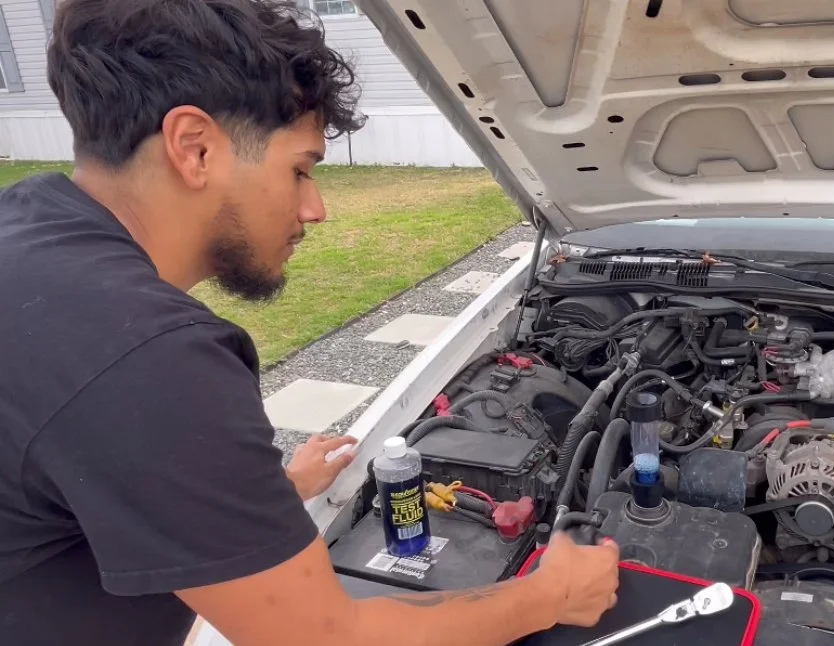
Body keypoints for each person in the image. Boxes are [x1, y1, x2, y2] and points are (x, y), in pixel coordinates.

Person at [0, 1, 621, 645]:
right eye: (299, 169)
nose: (315, 208)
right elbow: (325, 638)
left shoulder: (29, 238)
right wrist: (549, 595)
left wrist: (267, 493)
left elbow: (90, 461)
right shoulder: (144, 355)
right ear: (195, 147)